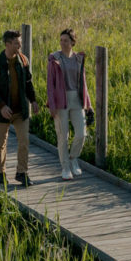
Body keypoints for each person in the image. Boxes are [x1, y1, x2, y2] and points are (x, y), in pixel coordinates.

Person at [0, 29, 37, 186]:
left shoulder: (23, 60)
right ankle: (0, 173)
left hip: (20, 110)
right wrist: (1, 106)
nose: (19, 45)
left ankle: (22, 173)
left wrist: (33, 100)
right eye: (16, 43)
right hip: (3, 112)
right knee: (1, 143)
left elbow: (28, 82)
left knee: (24, 141)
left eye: (20, 42)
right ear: (7, 44)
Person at [46, 28, 93, 180]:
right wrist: (51, 105)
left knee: (81, 133)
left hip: (76, 100)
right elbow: (50, 84)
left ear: (73, 42)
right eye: (61, 40)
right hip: (60, 101)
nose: (62, 43)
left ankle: (73, 159)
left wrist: (88, 104)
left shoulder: (78, 59)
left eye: (66, 40)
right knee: (63, 136)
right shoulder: (54, 58)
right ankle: (65, 167)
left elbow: (83, 83)